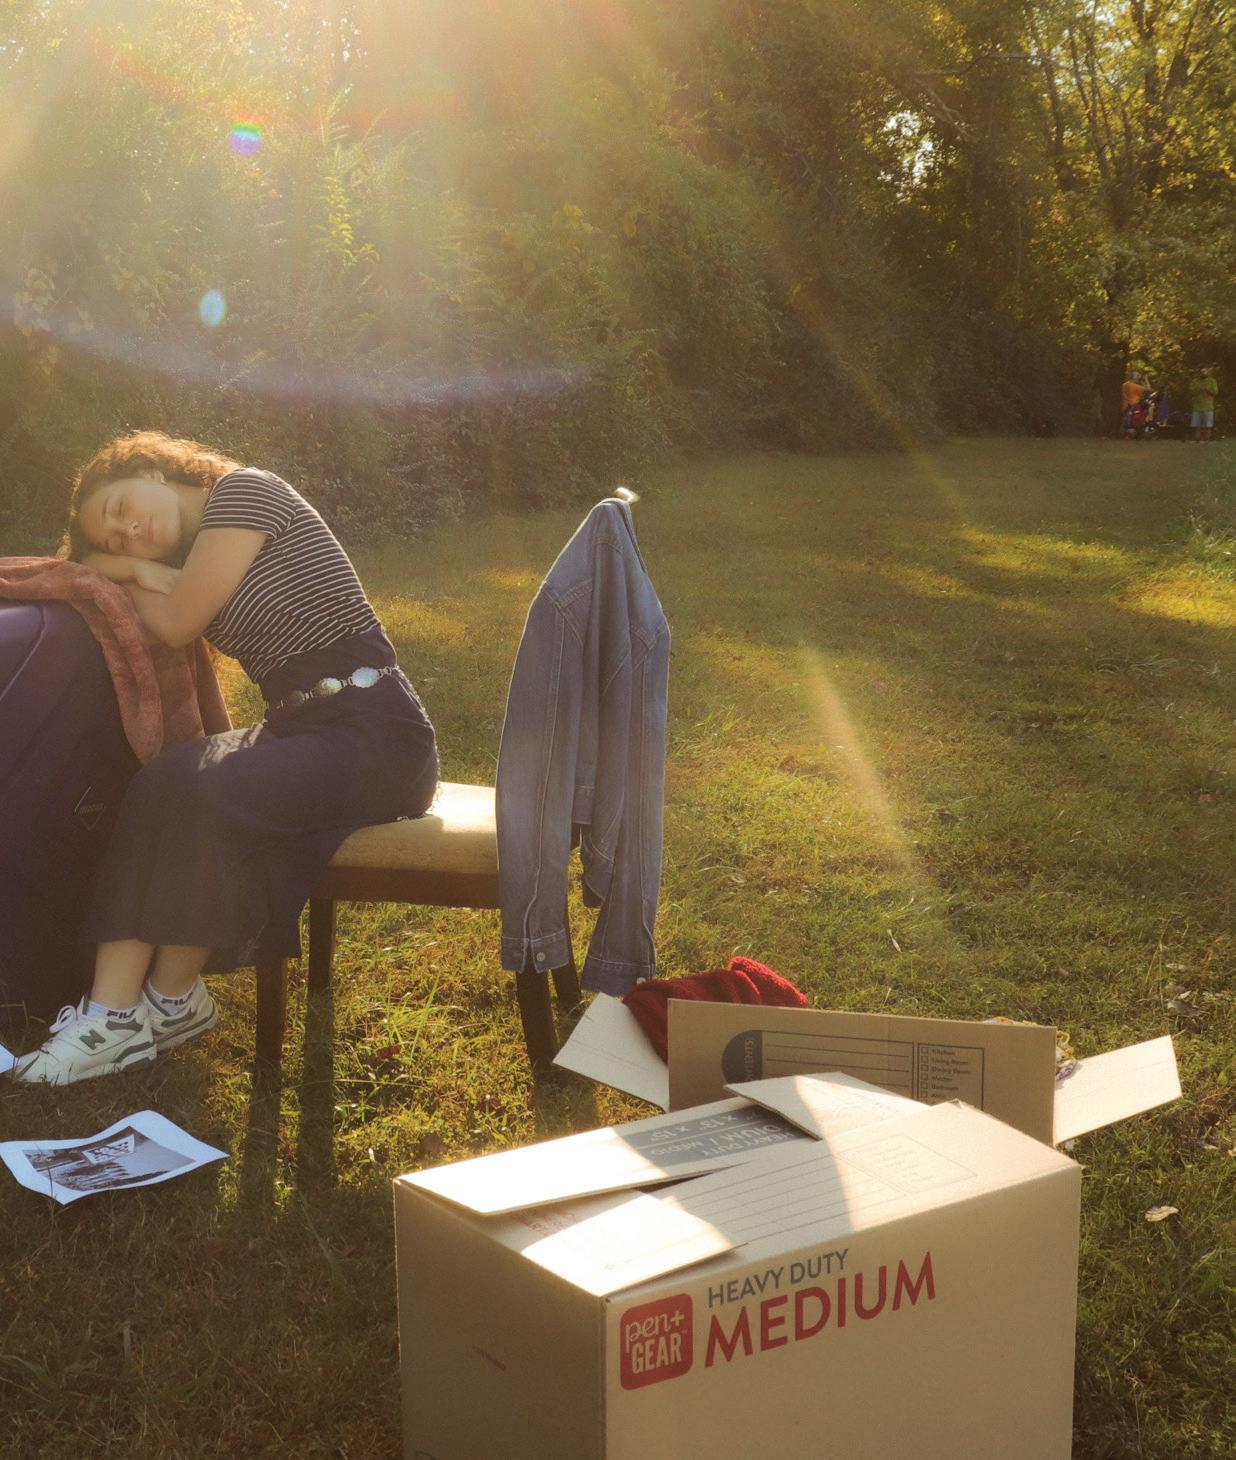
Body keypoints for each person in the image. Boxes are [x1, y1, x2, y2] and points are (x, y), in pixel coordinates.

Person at [13, 432, 438, 1085]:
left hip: (378, 734)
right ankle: (169, 1003)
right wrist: (125, 568)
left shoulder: (244, 493)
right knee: (165, 780)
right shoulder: (197, 553)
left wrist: (128, 571)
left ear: (152, 468)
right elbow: (125, 590)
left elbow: (175, 622)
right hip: (306, 728)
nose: (130, 532)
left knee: (187, 787)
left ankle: (116, 1018)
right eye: (118, 540)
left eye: (121, 507)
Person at [1189, 366, 1218, 441]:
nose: (1203, 373)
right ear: (1199, 373)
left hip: (1208, 407)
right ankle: (1197, 441)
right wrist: (1199, 389)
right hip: (1197, 407)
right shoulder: (1195, 381)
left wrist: (1207, 389)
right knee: (1197, 425)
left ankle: (1207, 441)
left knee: (1208, 426)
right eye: (1201, 372)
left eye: (1204, 371)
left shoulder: (1212, 381)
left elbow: (1215, 392)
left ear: (1208, 372)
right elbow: (1191, 392)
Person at [1120, 371, 1149, 437]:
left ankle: (1124, 434)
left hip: (1125, 406)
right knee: (1136, 420)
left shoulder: (1124, 385)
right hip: (1134, 405)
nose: (1138, 379)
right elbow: (1148, 389)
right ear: (1134, 378)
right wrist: (1146, 379)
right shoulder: (1135, 386)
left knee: (1126, 421)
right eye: (1138, 377)